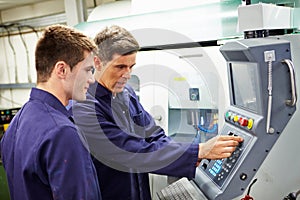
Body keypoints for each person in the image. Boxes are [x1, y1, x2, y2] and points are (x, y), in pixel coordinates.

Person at [71, 25, 243, 200]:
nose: (127, 74)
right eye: (120, 67)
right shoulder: (84, 107)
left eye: (131, 66)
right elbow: (128, 151)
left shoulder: (126, 93)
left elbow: (153, 134)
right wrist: (198, 151)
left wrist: (187, 156)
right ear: (98, 62)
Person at [0, 24, 101, 200]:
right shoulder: (62, 133)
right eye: (87, 70)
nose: (92, 79)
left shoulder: (17, 122)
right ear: (61, 70)